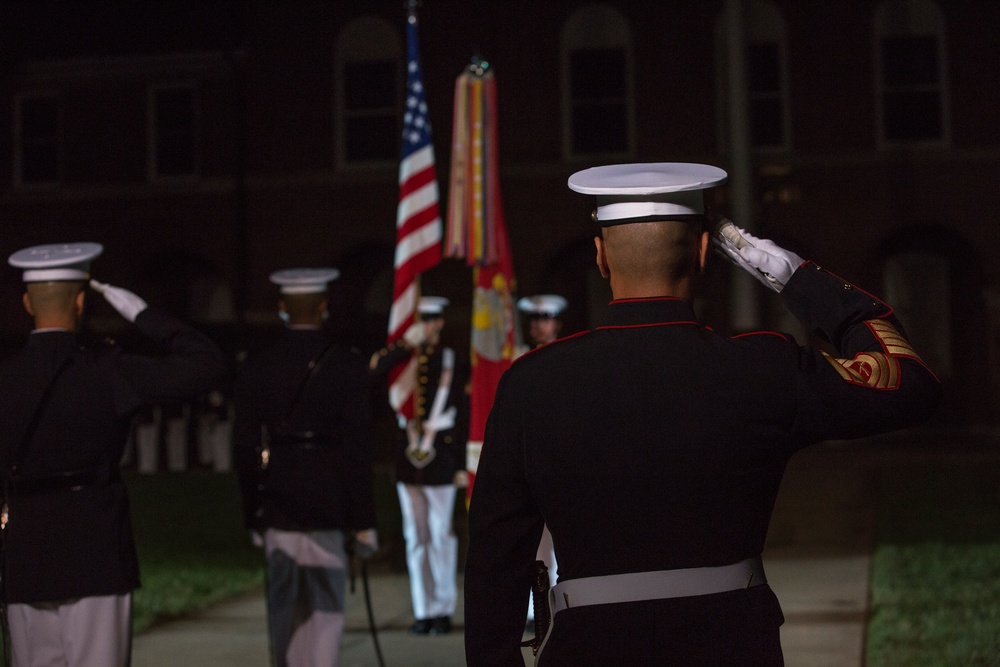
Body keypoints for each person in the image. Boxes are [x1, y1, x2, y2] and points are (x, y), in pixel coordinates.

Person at [464, 163, 942, 666]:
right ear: (700, 254)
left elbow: (495, 563)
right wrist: (795, 279)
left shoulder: (532, 384)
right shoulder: (763, 367)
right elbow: (911, 384)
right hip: (734, 647)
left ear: (601, 258)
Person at [0, 242, 227, 667]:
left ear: (28, 302)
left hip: (26, 558)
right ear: (82, 302)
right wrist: (143, 315)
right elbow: (207, 363)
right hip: (95, 552)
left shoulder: (7, 378)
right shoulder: (111, 369)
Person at [232, 268, 377, 667]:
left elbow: (244, 445)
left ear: (282, 308)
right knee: (327, 610)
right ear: (324, 307)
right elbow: (358, 448)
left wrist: (252, 513)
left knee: (283, 607)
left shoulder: (258, 364)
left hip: (278, 496)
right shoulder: (346, 364)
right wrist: (363, 518)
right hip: (329, 499)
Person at [370, 296, 468, 636]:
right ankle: (423, 610)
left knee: (441, 535)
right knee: (416, 536)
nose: (425, 325)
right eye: (421, 318)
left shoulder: (451, 359)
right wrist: (403, 345)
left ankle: (443, 609)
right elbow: (374, 368)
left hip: (440, 455)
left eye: (430, 319)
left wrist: (460, 461)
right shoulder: (403, 360)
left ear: (440, 322)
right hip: (407, 458)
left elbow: (463, 411)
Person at [514, 294, 567, 630]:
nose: (538, 324)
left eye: (545, 317)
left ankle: (563, 602)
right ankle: (537, 612)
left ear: (557, 322)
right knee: (534, 542)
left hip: (561, 459)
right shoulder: (517, 359)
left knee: (563, 538)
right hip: (529, 459)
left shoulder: (567, 358)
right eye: (533, 319)